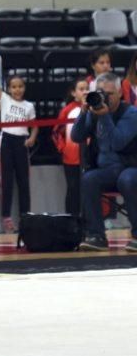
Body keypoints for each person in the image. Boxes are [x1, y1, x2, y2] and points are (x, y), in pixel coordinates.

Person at [70, 72, 137, 252]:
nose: (104, 98)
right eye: (101, 93)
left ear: (120, 93)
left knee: (127, 180)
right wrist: (84, 112)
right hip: (107, 170)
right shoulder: (93, 112)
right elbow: (76, 136)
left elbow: (117, 142)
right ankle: (97, 235)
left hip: (131, 166)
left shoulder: (131, 114)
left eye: (109, 93)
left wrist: (105, 116)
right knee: (89, 179)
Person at [0, 62, 38, 233]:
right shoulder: (5, 99)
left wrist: (32, 137)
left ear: (24, 88)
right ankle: (7, 218)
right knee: (6, 181)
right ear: (9, 89)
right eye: (14, 87)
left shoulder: (29, 106)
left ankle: (26, 218)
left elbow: (35, 125)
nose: (17, 90)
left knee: (24, 182)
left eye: (20, 86)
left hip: (22, 142)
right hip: (6, 141)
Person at [53, 77, 88, 216]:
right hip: (71, 159)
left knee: (88, 189)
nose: (85, 92)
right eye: (81, 89)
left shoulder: (94, 108)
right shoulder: (67, 110)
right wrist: (63, 149)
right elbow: (56, 132)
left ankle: (88, 220)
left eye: (87, 89)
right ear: (74, 93)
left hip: (89, 157)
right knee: (73, 189)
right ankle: (71, 219)